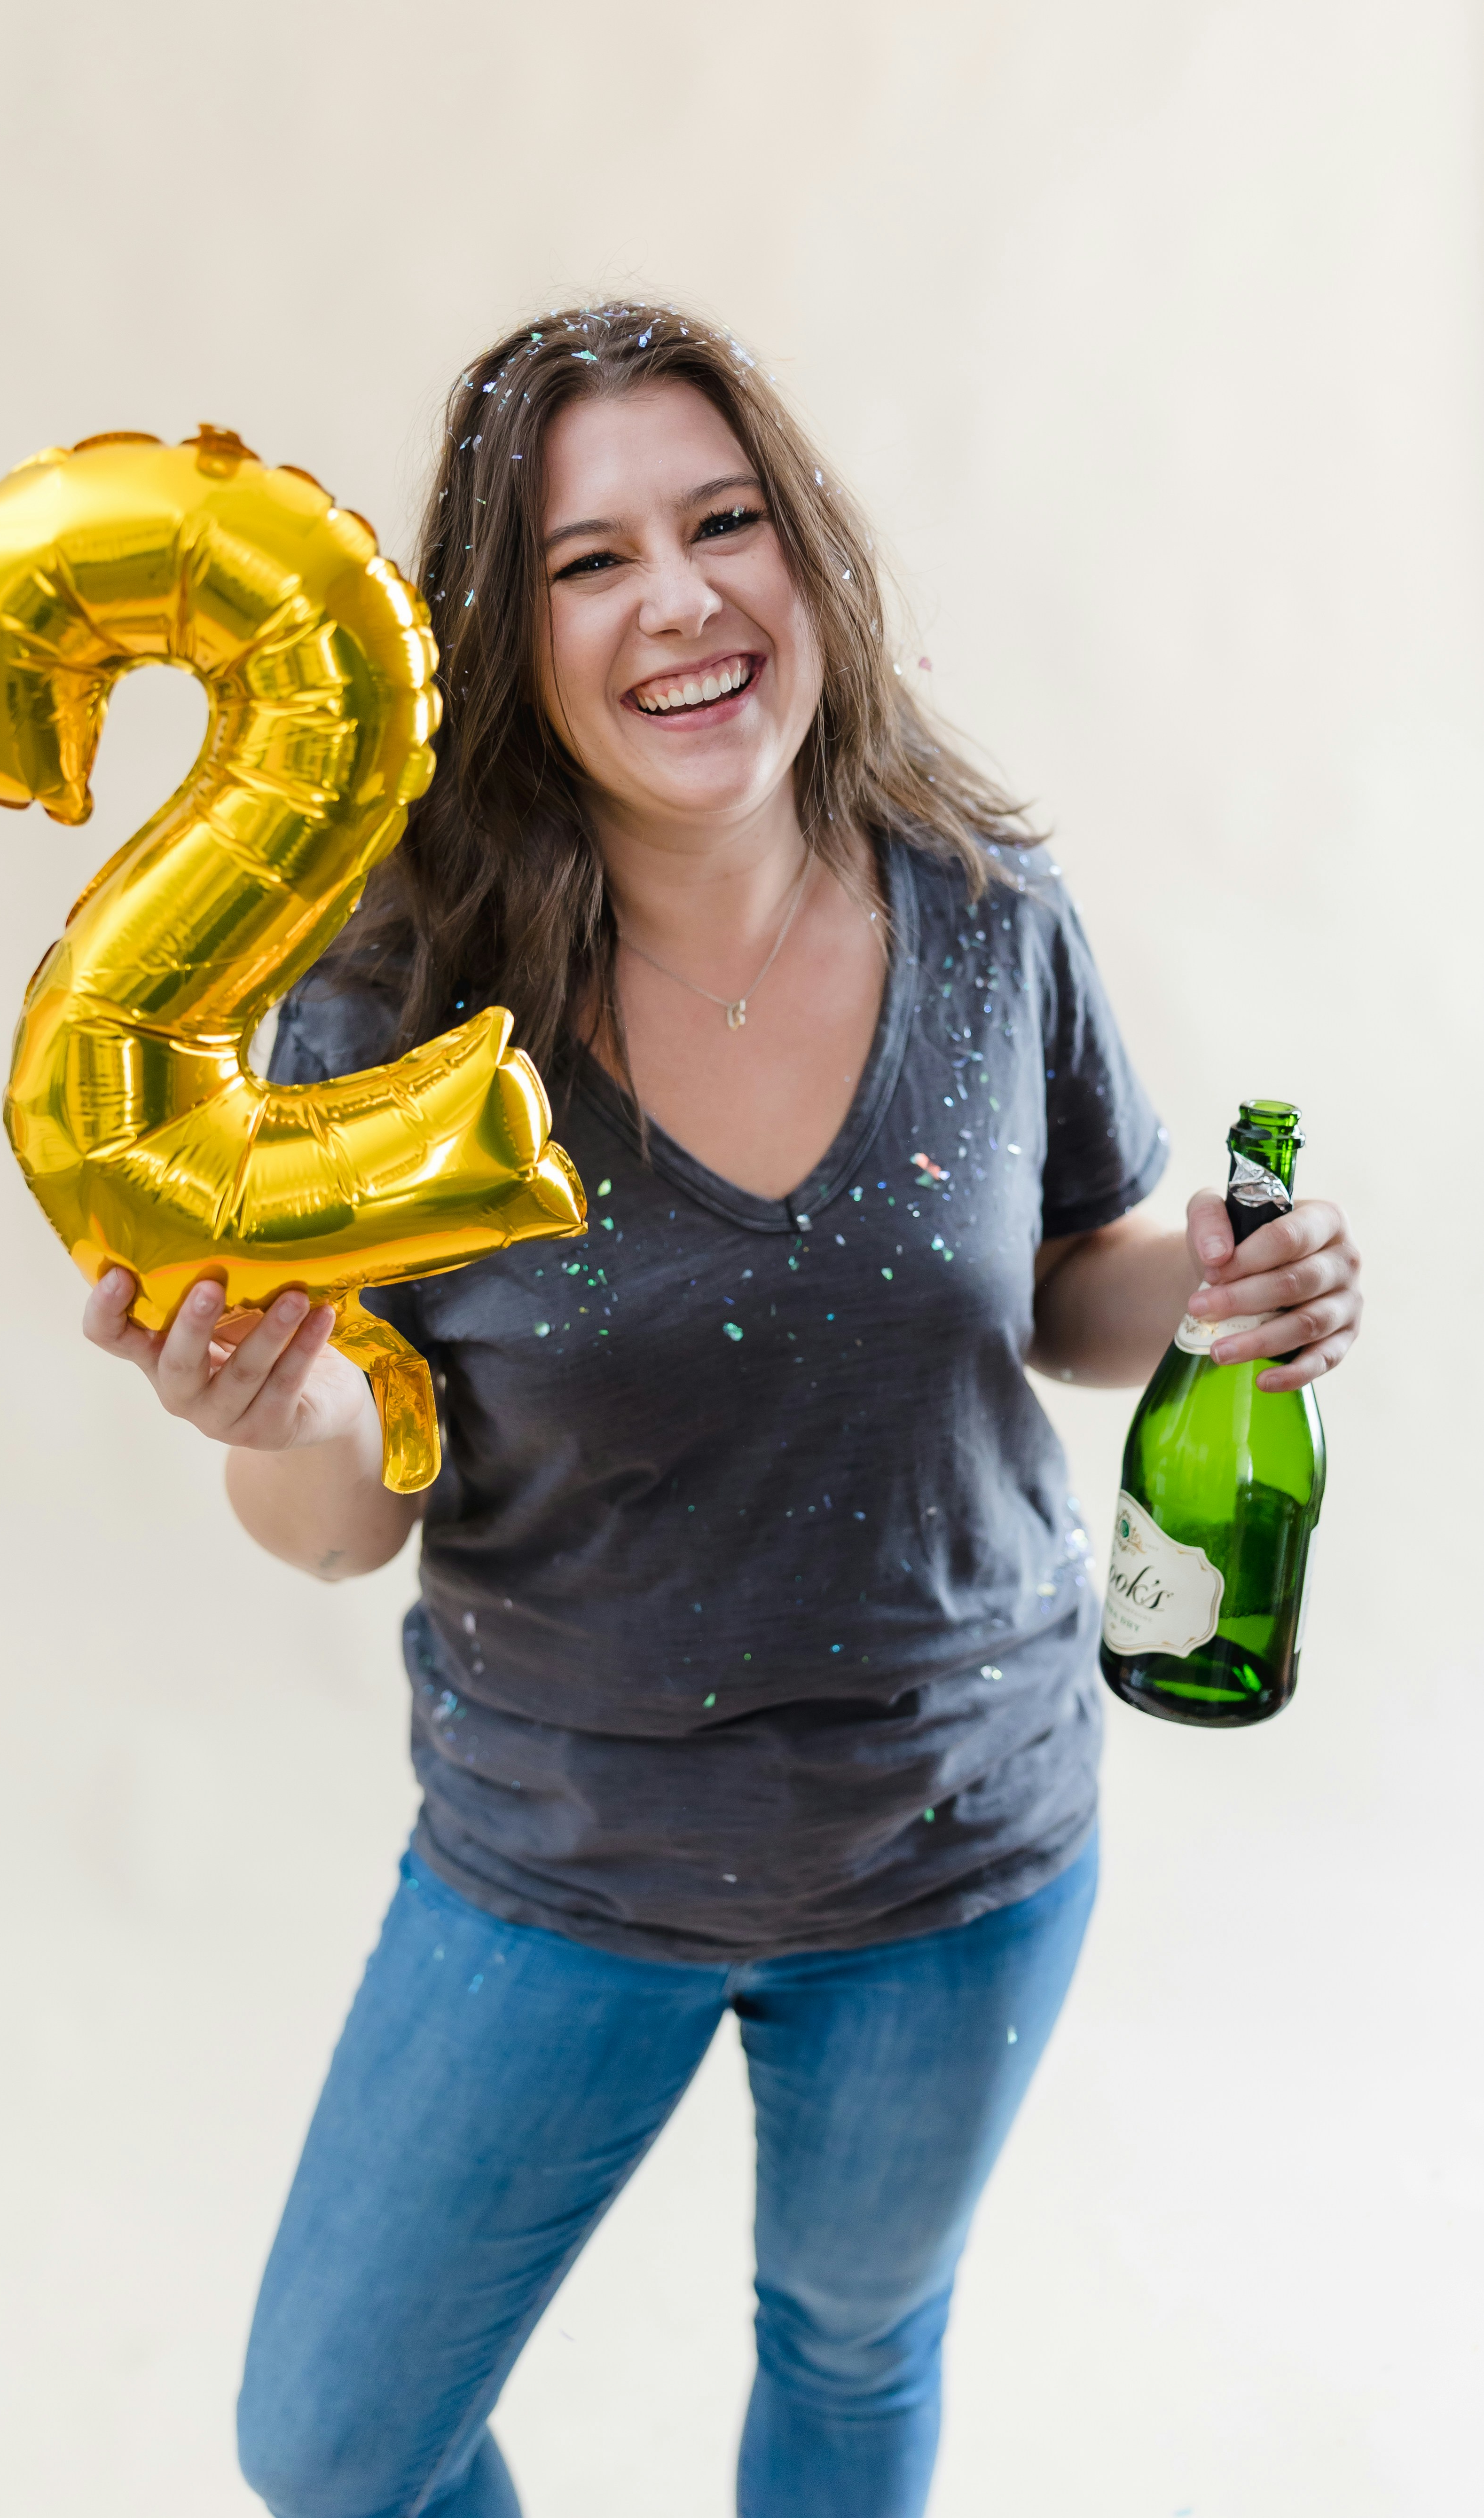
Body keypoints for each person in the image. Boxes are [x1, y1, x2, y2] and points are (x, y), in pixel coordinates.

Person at [84, 303, 1363, 2518]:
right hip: (558, 1862)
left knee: (852, 2353)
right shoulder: (388, 1013)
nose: (676, 599)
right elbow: (336, 1525)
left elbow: (1064, 1284)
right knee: (332, 2446)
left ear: (804, 562)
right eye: (589, 562)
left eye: (721, 522)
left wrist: (1218, 1284)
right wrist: (254, 1408)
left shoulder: (985, 915)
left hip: (959, 1849)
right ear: (506, 631)